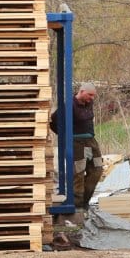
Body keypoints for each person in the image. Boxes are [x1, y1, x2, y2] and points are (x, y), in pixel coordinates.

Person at [49, 82, 103, 211]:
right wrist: (65, 136)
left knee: (97, 169)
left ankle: (84, 200)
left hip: (91, 141)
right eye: (90, 95)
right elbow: (54, 121)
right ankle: (77, 204)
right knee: (78, 172)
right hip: (77, 142)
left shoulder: (89, 103)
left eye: (93, 96)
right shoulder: (69, 105)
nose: (92, 98)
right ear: (82, 91)